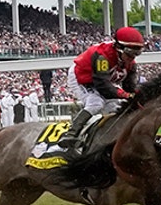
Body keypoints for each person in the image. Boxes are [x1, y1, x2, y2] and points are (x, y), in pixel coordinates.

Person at [58, 26, 144, 160]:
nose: (131, 58)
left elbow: (129, 86)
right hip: (82, 78)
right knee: (96, 104)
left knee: (115, 108)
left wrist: (138, 95)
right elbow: (103, 86)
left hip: (101, 80)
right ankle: (71, 134)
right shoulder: (102, 57)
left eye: (136, 54)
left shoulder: (130, 63)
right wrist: (125, 95)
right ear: (118, 47)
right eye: (129, 54)